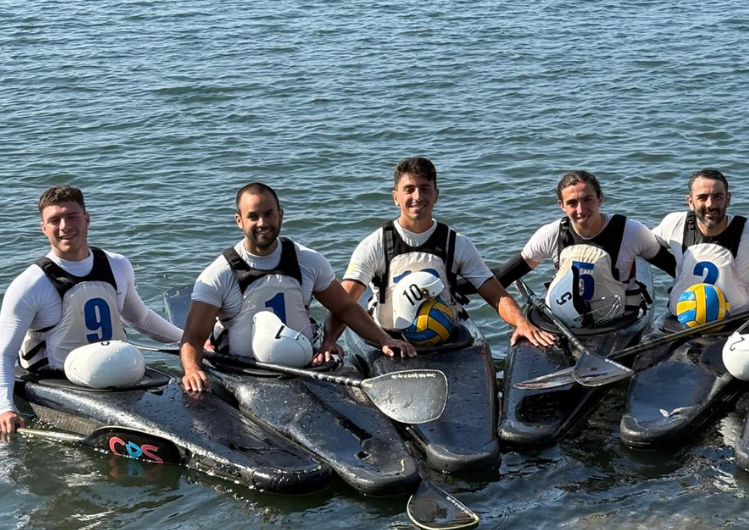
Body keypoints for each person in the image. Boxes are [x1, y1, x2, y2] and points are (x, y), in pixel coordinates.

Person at [178, 183, 414, 393]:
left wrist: (384, 340)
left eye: (269, 214)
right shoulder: (219, 275)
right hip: (244, 372)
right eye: (253, 216)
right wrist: (191, 369)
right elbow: (193, 337)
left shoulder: (309, 261)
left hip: (305, 363)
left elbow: (345, 308)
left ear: (280, 215)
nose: (262, 223)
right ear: (239, 220)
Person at [321, 157, 554, 355]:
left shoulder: (457, 244)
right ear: (395, 197)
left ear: (436, 195)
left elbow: (496, 295)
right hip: (389, 339)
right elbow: (345, 301)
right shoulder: (375, 244)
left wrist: (522, 322)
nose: (417, 196)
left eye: (425, 188)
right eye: (409, 189)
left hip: (445, 339)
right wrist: (329, 341)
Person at [0, 186, 184, 433]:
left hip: (116, 372)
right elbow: (6, 353)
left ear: (86, 219)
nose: (64, 226)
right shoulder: (30, 285)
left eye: (72, 216)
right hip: (59, 382)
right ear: (44, 228)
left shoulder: (117, 265)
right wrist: (6, 407)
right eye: (54, 220)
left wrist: (190, 341)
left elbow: (142, 320)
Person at [492, 171, 676, 325]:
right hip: (567, 322)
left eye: (588, 200)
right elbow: (503, 276)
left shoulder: (631, 232)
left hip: (619, 321)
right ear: (561, 205)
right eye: (572, 203)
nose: (581, 210)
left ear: (600, 199)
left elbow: (674, 268)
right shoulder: (552, 234)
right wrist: (465, 283)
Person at [653, 168, 749, 318]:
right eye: (702, 197)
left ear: (728, 199)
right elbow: (643, 247)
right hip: (682, 320)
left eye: (717, 196)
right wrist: (674, 269)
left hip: (738, 321)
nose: (710, 205)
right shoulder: (674, 224)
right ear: (690, 201)